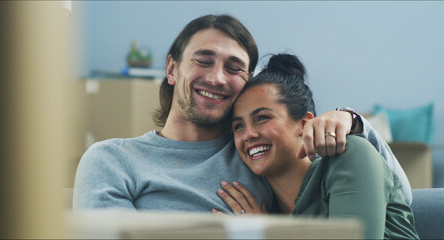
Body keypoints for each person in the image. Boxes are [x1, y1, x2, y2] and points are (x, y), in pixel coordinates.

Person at [73, 14, 411, 212]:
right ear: (172, 69)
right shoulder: (111, 160)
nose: (218, 77)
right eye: (203, 60)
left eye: (234, 68)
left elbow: (395, 199)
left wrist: (354, 122)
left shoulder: (258, 154)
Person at [214, 53, 418, 239]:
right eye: (239, 126)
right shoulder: (266, 210)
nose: (248, 134)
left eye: (262, 118)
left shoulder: (350, 156)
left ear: (304, 123)